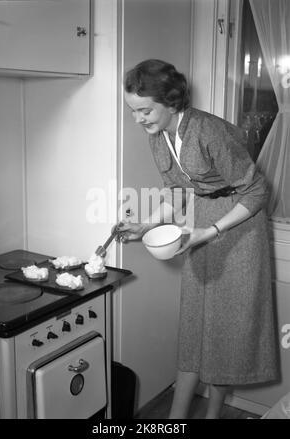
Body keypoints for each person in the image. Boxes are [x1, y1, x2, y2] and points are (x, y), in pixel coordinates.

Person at [116, 59, 279, 419]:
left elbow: (256, 192)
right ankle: (176, 421)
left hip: (240, 228)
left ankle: (211, 416)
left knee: (227, 326)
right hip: (202, 222)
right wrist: (145, 225)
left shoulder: (206, 131)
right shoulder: (159, 138)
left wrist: (212, 230)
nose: (138, 119)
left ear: (171, 102)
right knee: (195, 325)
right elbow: (176, 191)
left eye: (144, 110)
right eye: (133, 111)